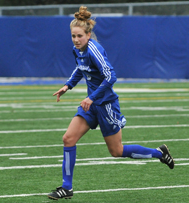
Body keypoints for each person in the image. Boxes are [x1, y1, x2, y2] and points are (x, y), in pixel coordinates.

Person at [48, 6, 174, 200]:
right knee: (68, 139)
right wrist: (68, 86)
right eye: (73, 36)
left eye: (79, 36)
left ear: (88, 35)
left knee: (117, 151)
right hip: (91, 107)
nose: (75, 40)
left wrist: (91, 97)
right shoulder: (78, 49)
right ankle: (67, 187)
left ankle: (159, 153)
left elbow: (111, 76)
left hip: (106, 106)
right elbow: (80, 69)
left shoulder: (94, 50)